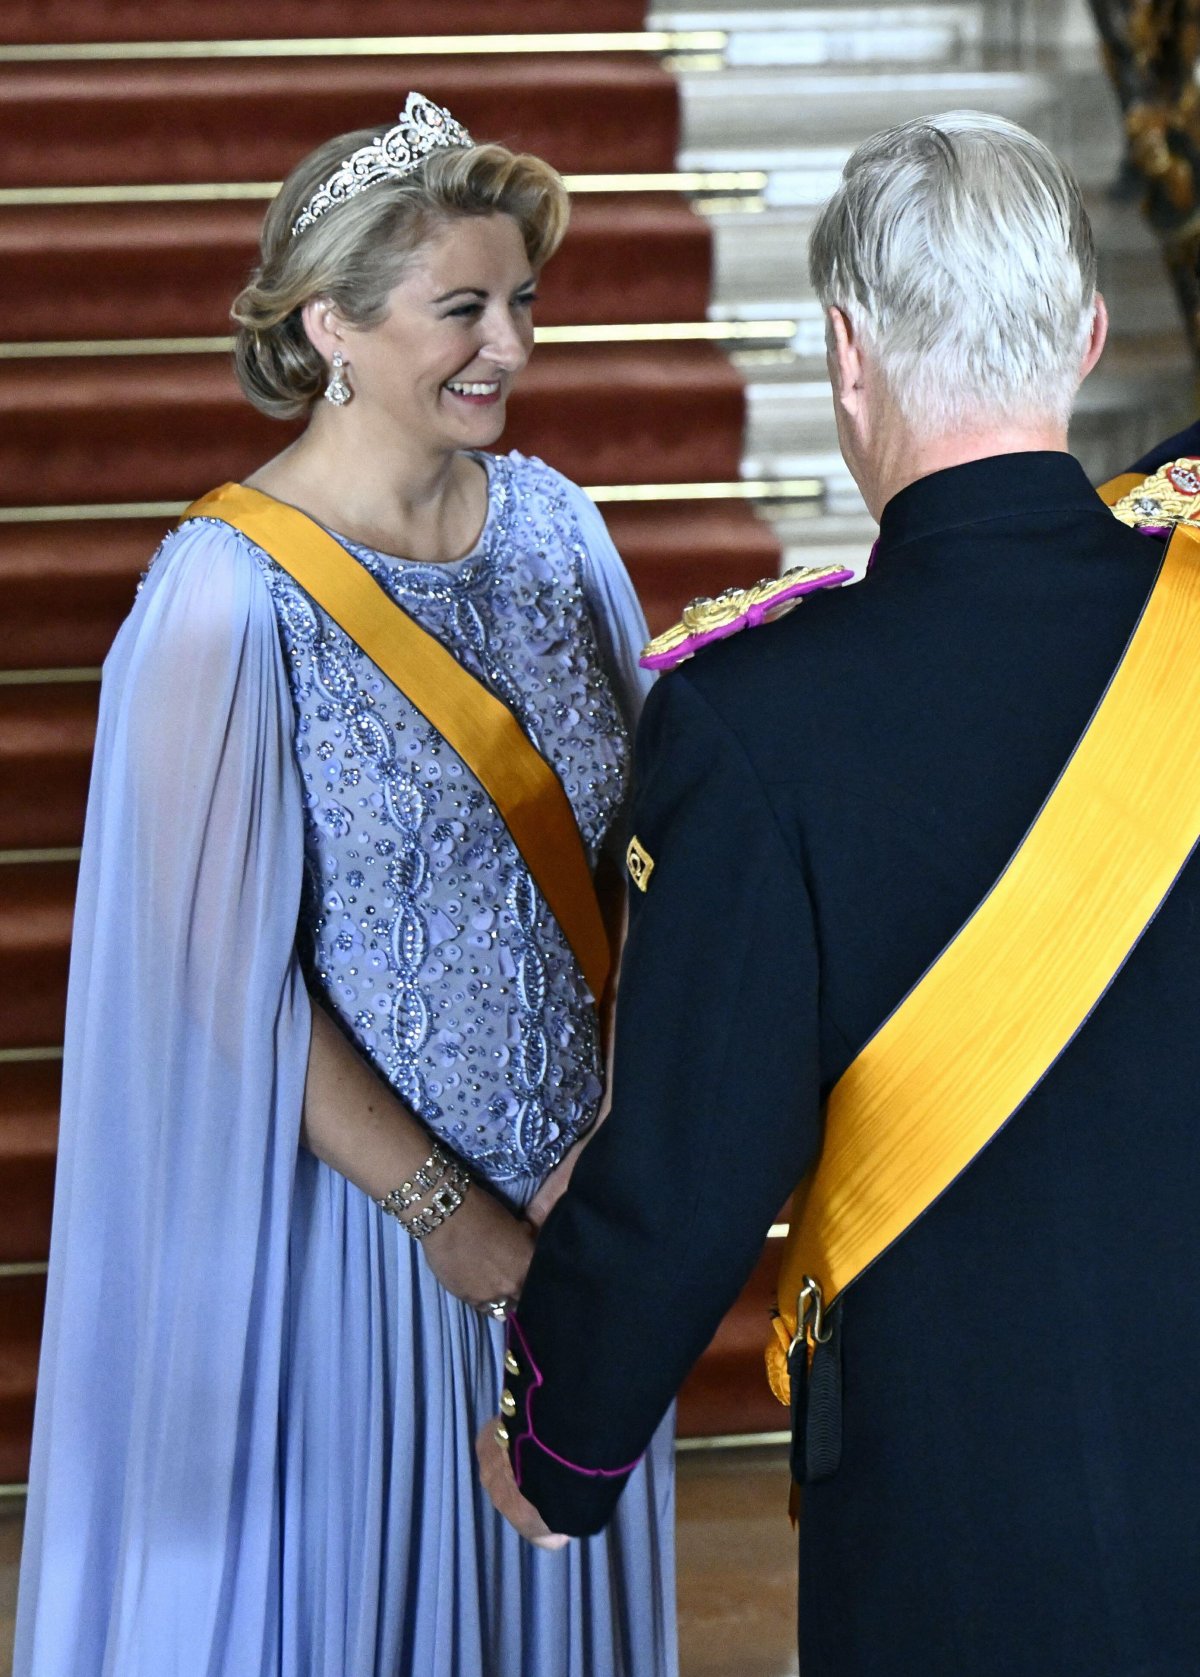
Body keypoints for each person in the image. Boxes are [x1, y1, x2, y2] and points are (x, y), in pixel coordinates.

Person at [477, 111, 1200, 1675]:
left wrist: (561, 1439)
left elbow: (683, 1172)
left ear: (846, 355)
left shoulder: (758, 722)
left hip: (968, 1518)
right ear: (1084, 337)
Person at [14, 94, 676, 1677]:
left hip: (578, 1228)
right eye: (463, 308)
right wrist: (445, 1213)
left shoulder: (562, 531)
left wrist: (613, 1140)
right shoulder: (223, 603)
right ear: (331, 326)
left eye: (522, 302)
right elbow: (213, 977)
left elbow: (647, 853)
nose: (509, 343)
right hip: (360, 1256)